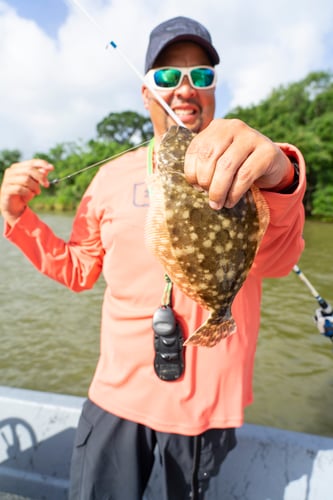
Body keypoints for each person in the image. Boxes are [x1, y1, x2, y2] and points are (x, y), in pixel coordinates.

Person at [0, 16, 306, 500]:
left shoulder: (246, 169)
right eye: (167, 77)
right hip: (116, 401)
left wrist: (281, 175)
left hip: (205, 413)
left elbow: (278, 257)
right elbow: (80, 268)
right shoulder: (109, 178)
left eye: (201, 76)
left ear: (213, 91)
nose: (184, 89)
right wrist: (19, 218)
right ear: (147, 94)